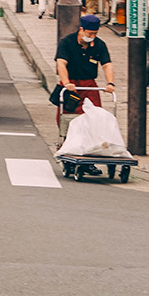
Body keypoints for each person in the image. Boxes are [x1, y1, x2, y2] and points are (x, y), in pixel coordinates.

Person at [55, 14, 116, 176]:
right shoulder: (67, 42)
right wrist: (66, 82)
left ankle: (89, 160)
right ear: (81, 30)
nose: (91, 37)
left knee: (95, 120)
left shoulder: (99, 45)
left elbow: (107, 65)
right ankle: (68, 154)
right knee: (68, 119)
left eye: (95, 34)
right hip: (71, 86)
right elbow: (61, 63)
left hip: (90, 85)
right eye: (89, 33)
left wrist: (110, 83)